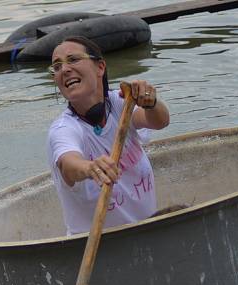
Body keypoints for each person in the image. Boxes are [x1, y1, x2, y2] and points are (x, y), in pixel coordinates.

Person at [47, 36, 170, 235]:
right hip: (101, 247)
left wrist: (152, 102)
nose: (65, 69)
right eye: (57, 66)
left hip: (149, 233)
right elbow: (68, 164)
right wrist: (90, 167)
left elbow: (160, 121)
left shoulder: (122, 103)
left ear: (100, 67)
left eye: (73, 59)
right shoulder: (64, 129)